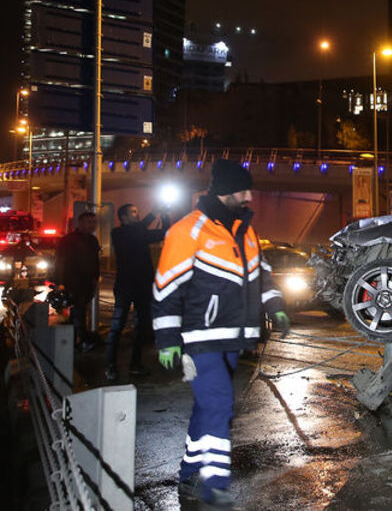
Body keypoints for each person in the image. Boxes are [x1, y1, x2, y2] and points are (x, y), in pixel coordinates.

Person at [152, 159, 289, 508]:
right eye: (242, 190)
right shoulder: (188, 230)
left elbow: (263, 273)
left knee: (206, 406)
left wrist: (276, 307)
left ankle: (189, 471)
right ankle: (214, 484)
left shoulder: (245, 229)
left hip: (233, 337)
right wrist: (167, 339)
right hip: (198, 340)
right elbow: (166, 289)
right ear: (225, 190)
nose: (248, 196)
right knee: (219, 405)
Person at [104, 203, 171, 380]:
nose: (137, 214)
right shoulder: (119, 233)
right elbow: (138, 233)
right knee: (117, 325)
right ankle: (110, 365)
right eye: (133, 212)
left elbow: (165, 232)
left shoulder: (140, 232)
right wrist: (152, 214)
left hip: (142, 286)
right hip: (125, 286)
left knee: (142, 327)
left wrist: (164, 215)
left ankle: (135, 365)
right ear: (124, 217)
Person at [54, 211, 101, 352]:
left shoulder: (93, 240)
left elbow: (95, 262)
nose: (92, 225)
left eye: (94, 222)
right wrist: (59, 282)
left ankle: (73, 342)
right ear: (80, 223)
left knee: (79, 312)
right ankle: (83, 341)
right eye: (88, 222)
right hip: (72, 283)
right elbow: (60, 262)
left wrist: (96, 278)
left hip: (88, 284)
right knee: (78, 312)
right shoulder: (68, 240)